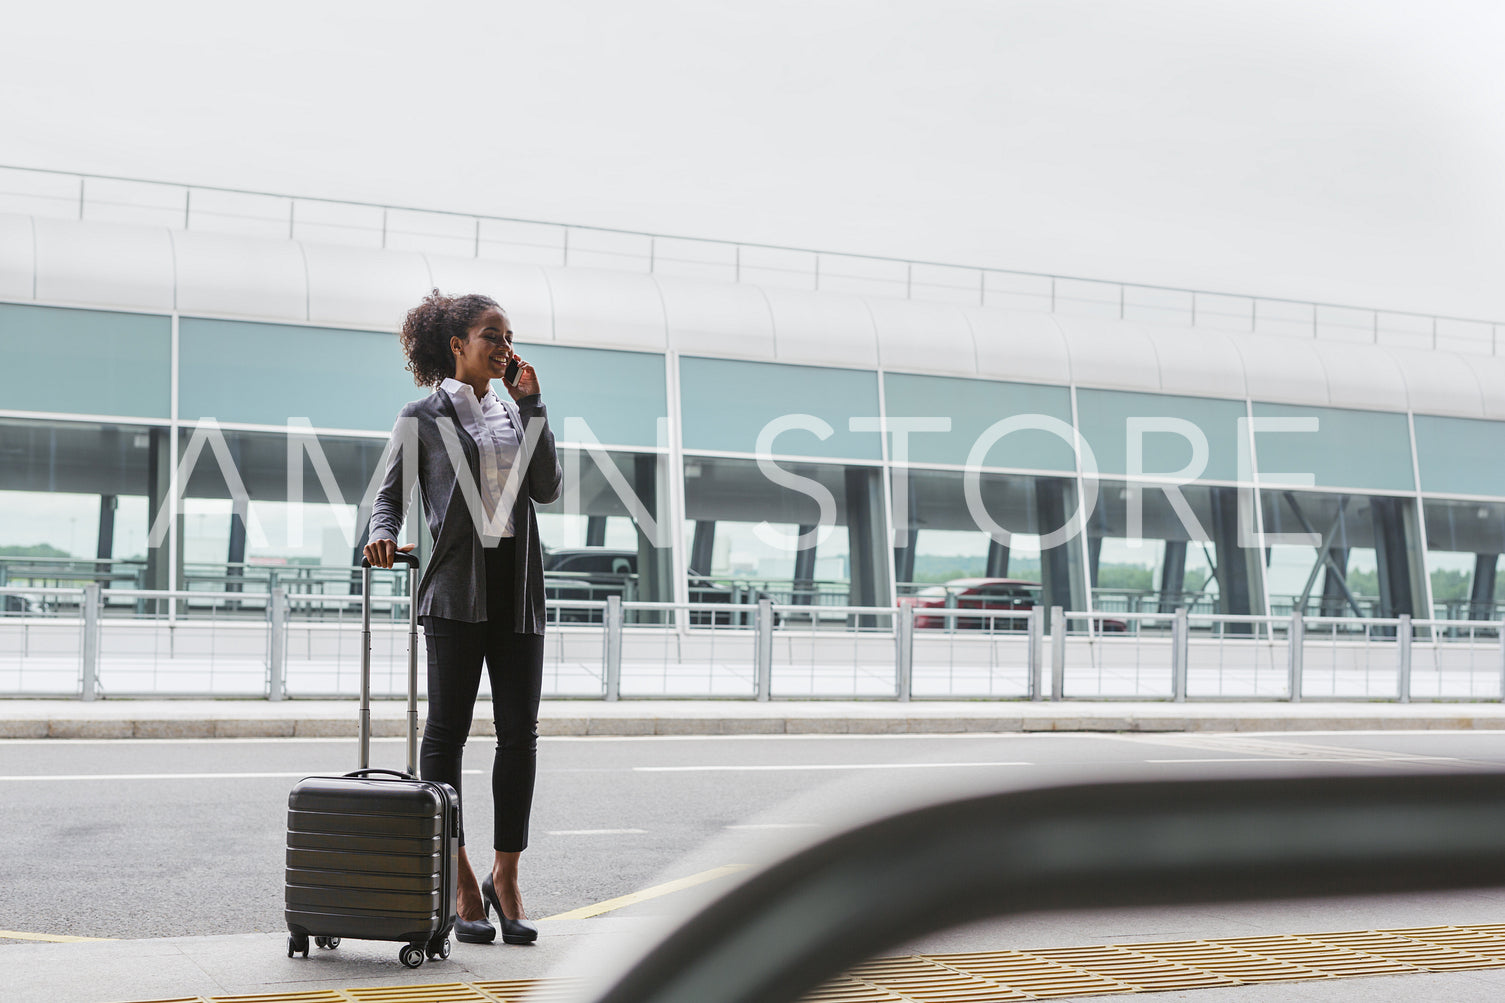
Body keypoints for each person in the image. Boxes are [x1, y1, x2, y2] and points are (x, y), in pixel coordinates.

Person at [364, 290, 561, 946]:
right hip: (453, 591)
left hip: (517, 592)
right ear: (457, 345)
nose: (504, 347)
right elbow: (388, 498)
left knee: (519, 734)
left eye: (508, 336)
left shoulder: (514, 412)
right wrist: (381, 534)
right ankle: (457, 872)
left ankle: (506, 875)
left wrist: (533, 405)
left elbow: (546, 487)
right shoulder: (421, 415)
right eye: (491, 335)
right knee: (445, 734)